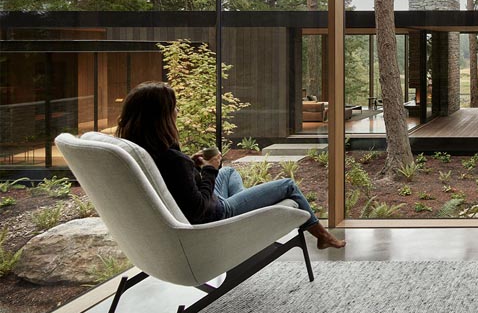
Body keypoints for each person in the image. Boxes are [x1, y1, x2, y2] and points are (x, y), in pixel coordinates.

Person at [116, 81, 345, 249]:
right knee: (287, 186)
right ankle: (322, 235)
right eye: (174, 107)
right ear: (161, 116)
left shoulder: (143, 152)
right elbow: (200, 210)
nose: (177, 112)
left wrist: (197, 168)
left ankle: (248, 218)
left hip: (201, 208)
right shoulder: (173, 161)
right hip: (216, 215)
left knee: (229, 171)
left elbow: (182, 189)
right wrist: (208, 170)